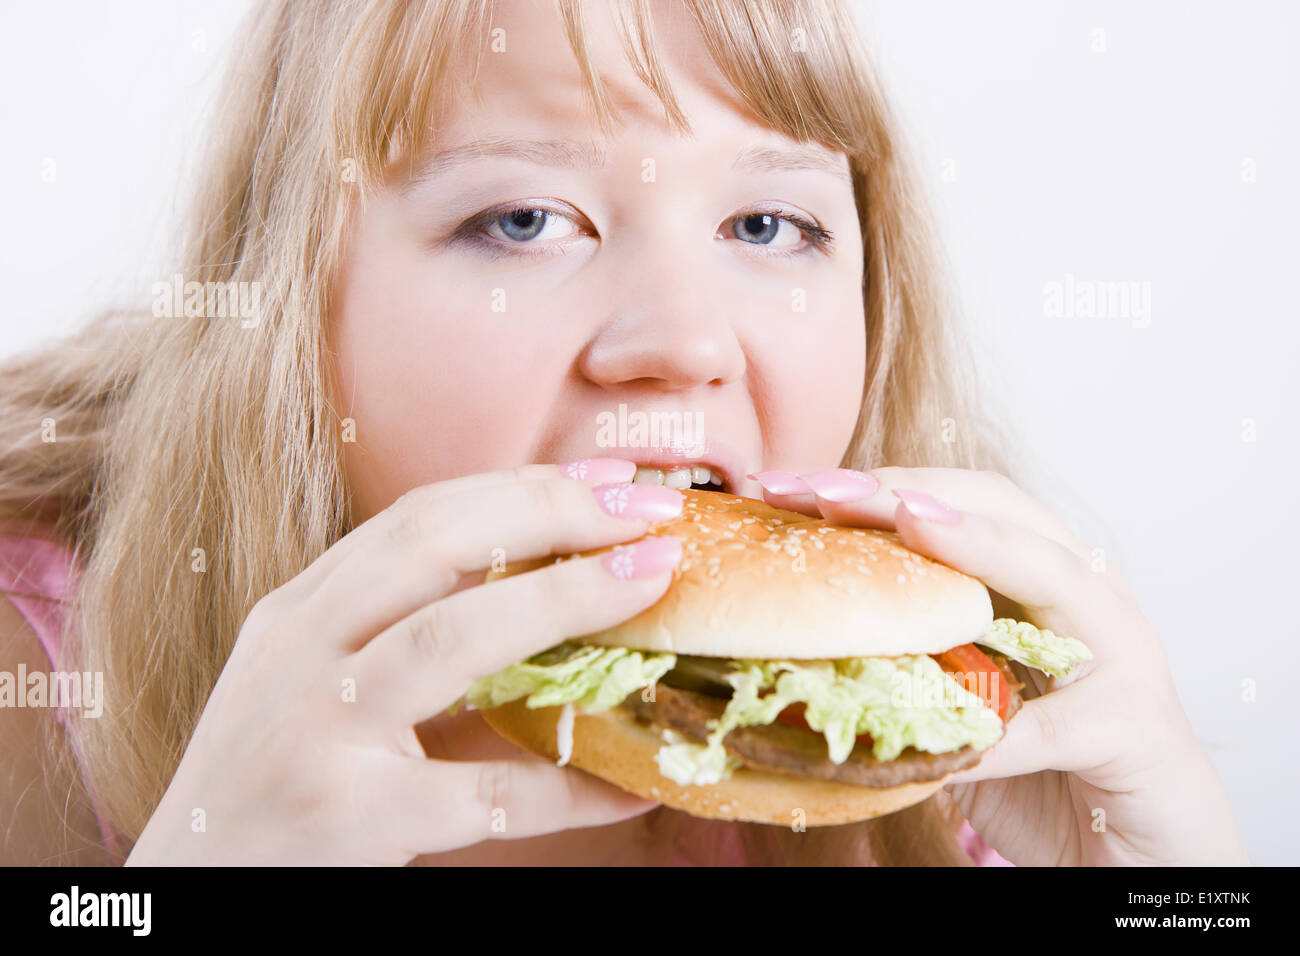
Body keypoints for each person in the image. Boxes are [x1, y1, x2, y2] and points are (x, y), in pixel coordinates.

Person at [0, 0, 1248, 866]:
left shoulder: (943, 729)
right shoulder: (41, 663)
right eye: (527, 219)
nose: (682, 341)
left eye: (767, 225)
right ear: (294, 301)